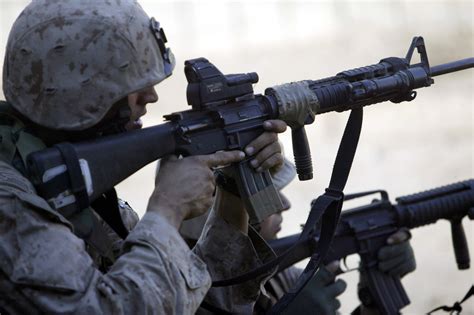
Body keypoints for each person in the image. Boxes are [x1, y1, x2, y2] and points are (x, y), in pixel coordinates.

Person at [0, 0, 286, 313]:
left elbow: (189, 304)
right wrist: (167, 209)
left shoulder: (76, 189)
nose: (151, 96)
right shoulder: (9, 202)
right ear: (81, 93)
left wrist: (233, 187)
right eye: (134, 85)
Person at [180, 158, 417, 314]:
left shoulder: (282, 279)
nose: (284, 204)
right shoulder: (177, 297)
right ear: (213, 211)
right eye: (261, 193)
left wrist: (373, 302)